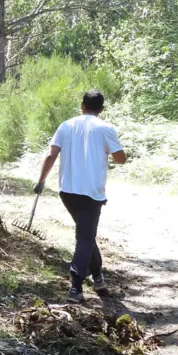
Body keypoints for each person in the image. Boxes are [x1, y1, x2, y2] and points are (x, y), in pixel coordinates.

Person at [34, 89, 127, 304]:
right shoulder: (106, 129)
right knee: (85, 237)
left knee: (86, 233)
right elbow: (120, 159)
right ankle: (76, 287)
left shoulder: (66, 125)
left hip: (67, 191)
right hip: (91, 193)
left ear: (82, 106)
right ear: (101, 109)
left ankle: (98, 277)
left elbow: (51, 154)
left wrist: (40, 181)